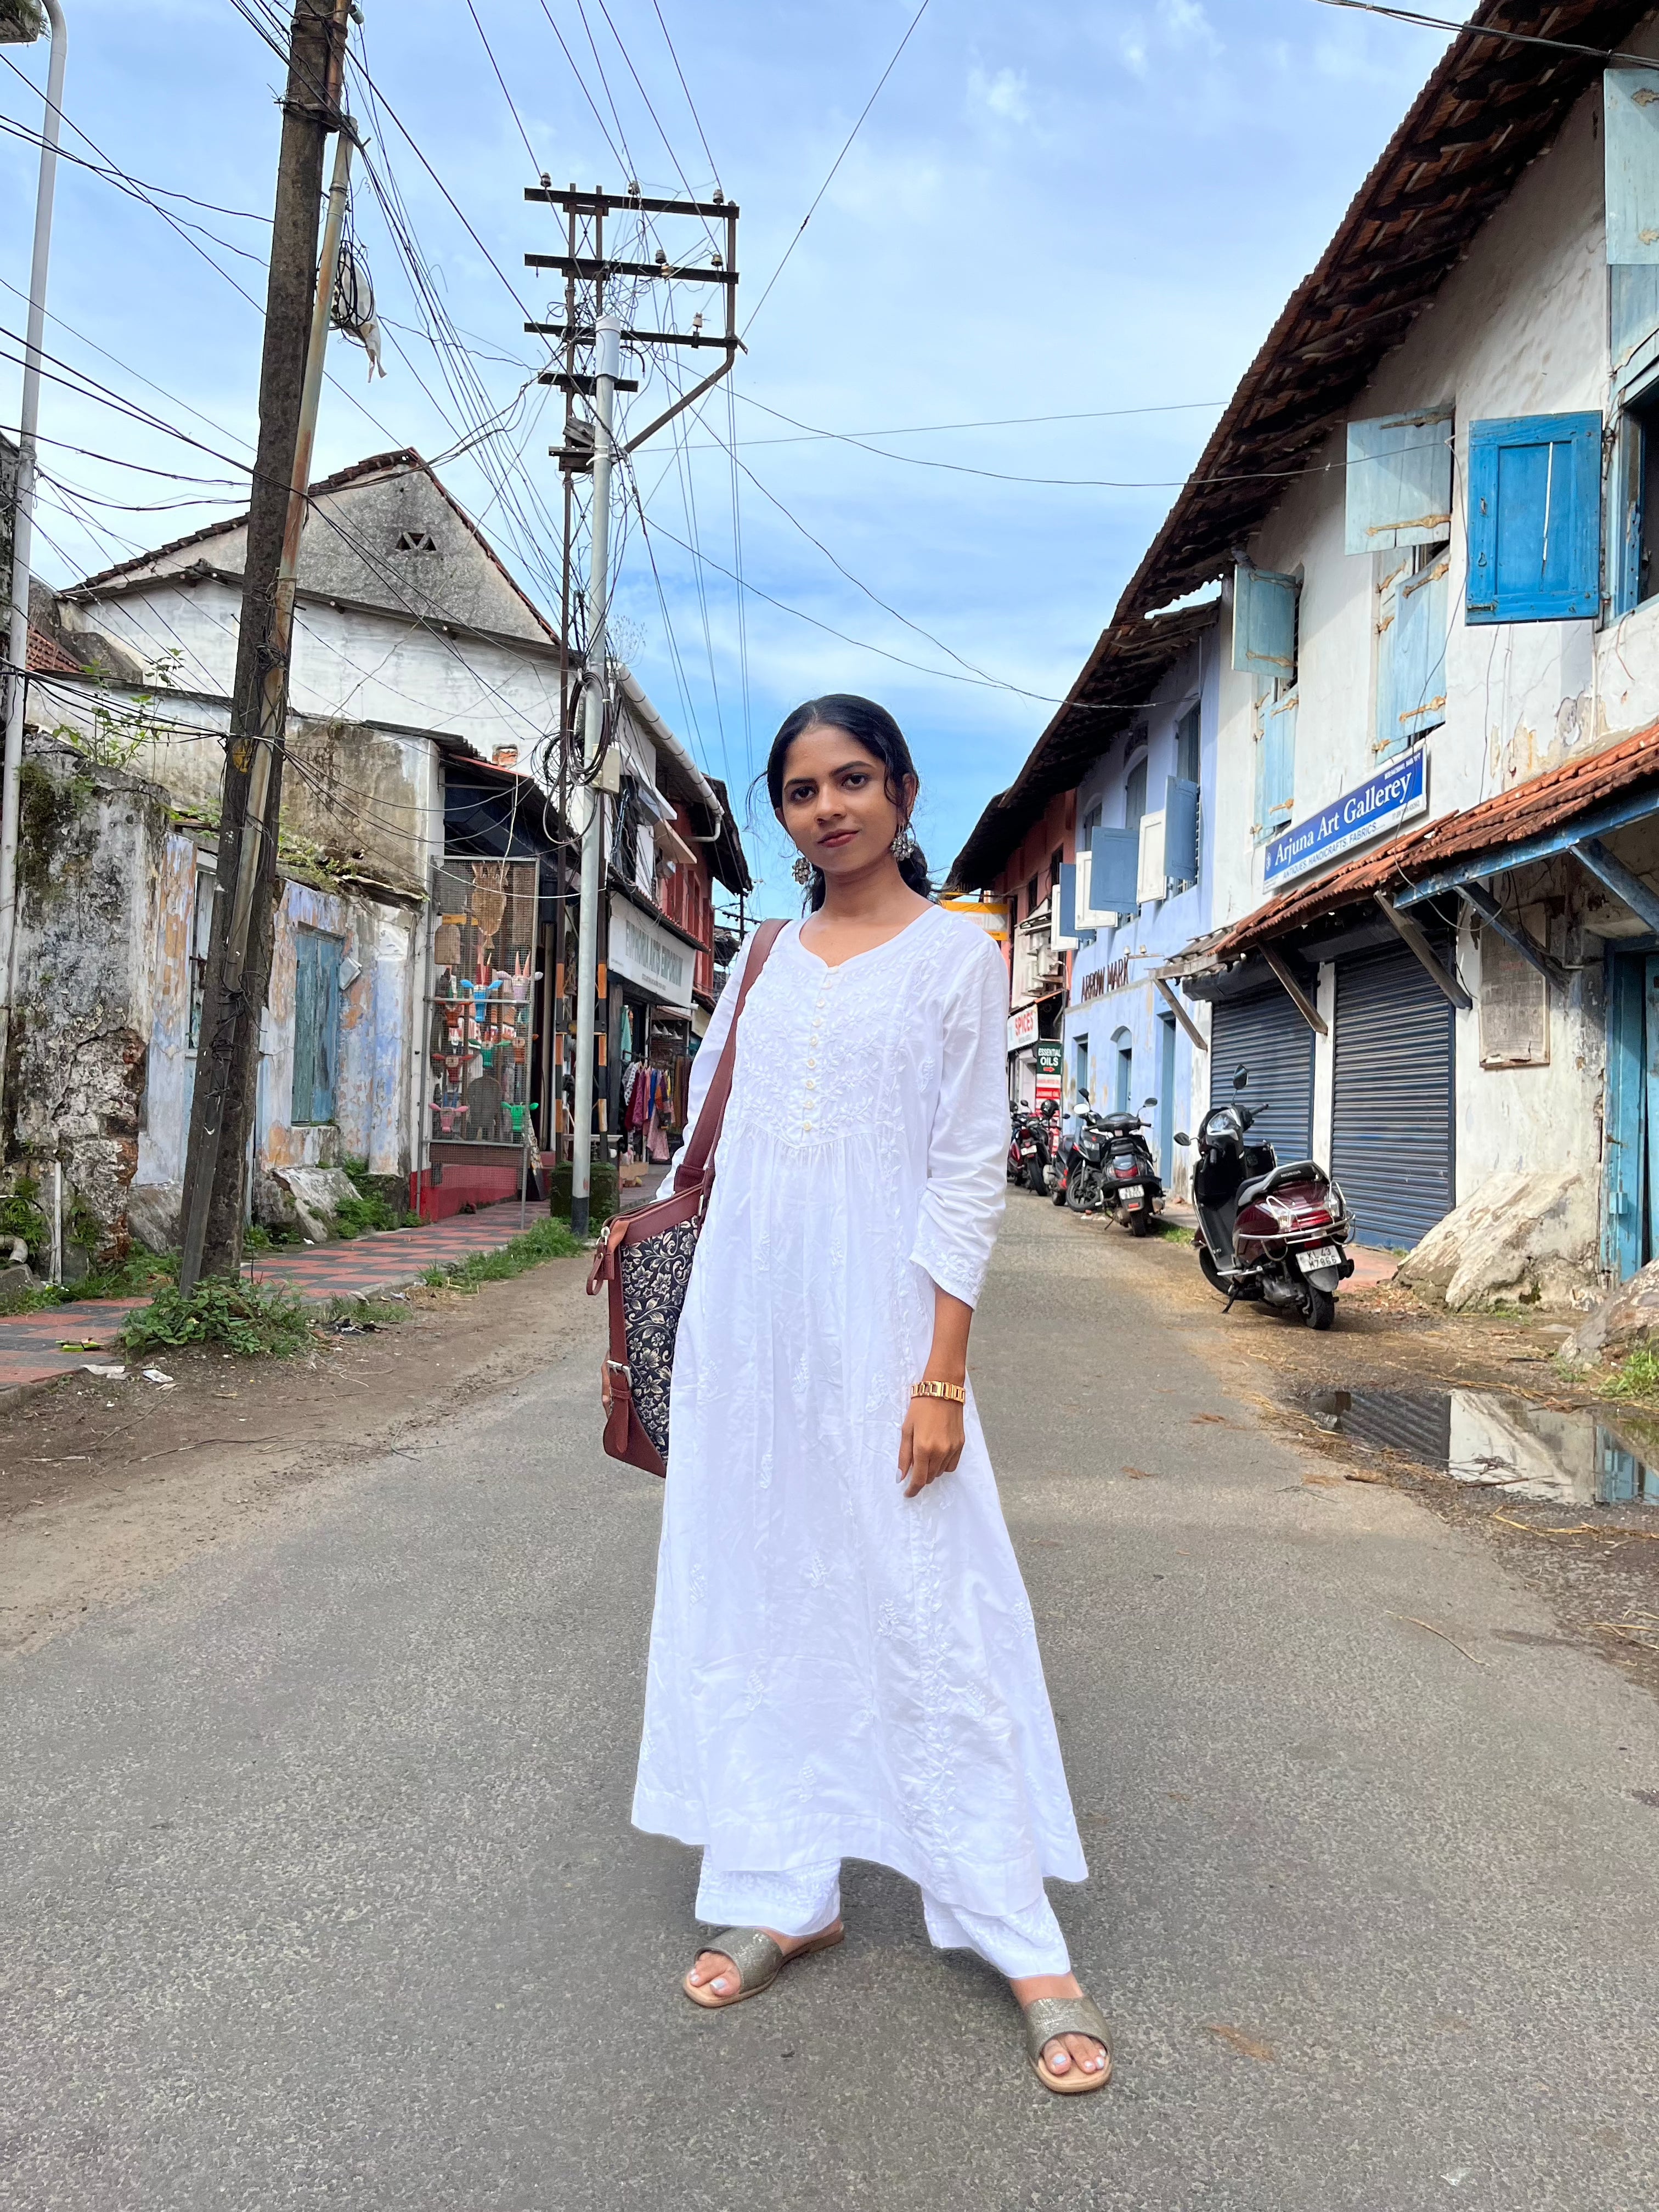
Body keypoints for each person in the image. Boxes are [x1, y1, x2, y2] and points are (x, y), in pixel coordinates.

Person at [630, 694, 1110, 2094]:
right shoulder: (764, 957)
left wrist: (942, 1375)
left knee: (932, 1600)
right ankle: (788, 1884)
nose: (827, 807)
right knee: (763, 1588)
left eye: (852, 780)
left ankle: (1013, 1925)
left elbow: (971, 1169)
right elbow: (702, 1153)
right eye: (799, 790)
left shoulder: (964, 955)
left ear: (902, 790)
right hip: (751, 1334)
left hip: (889, 1327)